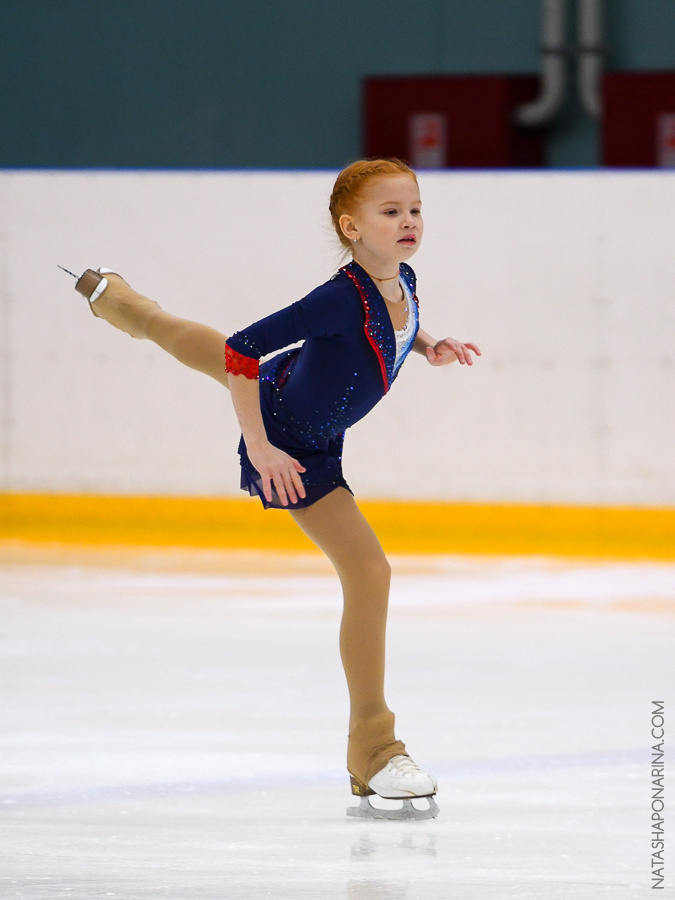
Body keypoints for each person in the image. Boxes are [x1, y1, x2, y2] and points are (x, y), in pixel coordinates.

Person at [75, 158, 480, 819]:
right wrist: (260, 446)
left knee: (194, 344)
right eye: (390, 212)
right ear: (351, 227)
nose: (408, 222)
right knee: (370, 572)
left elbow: (394, 328)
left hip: (298, 396)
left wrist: (428, 345)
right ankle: (373, 753)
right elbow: (243, 347)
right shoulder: (336, 296)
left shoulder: (401, 277)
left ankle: (122, 303)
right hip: (292, 446)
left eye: (414, 209)